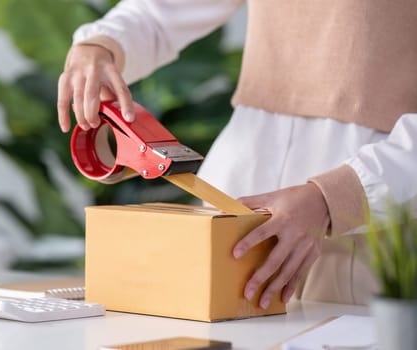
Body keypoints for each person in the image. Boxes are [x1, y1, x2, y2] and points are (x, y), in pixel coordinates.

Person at [57, 0, 417, 308]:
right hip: (230, 217)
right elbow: (159, 14)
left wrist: (332, 198)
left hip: (362, 230)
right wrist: (102, 44)